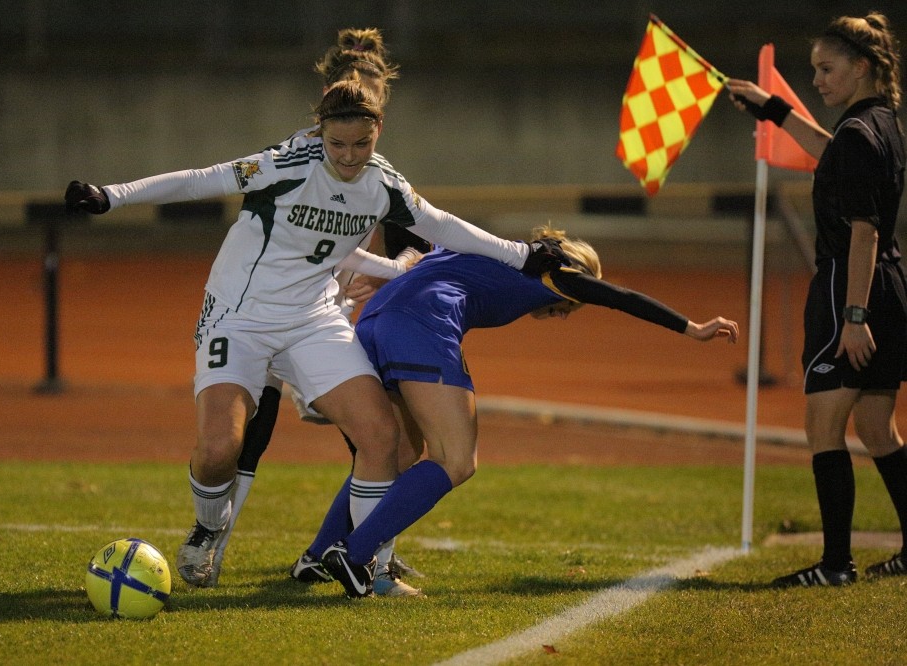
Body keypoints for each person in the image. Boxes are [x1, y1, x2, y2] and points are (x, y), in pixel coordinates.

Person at [65, 78, 565, 590]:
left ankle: (367, 565)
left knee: (381, 436)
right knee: (219, 450)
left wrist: (520, 255)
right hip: (238, 316)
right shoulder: (284, 164)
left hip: (312, 320)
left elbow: (440, 225)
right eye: (337, 144)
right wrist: (111, 196)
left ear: (378, 130)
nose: (348, 157)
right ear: (320, 131)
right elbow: (200, 180)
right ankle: (209, 526)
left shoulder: (384, 184)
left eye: (361, 144)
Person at [297, 226, 739, 597]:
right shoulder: (554, 271)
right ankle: (355, 556)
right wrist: (692, 328)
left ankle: (318, 555)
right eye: (569, 307)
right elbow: (620, 296)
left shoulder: (491, 250)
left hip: (374, 320)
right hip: (422, 325)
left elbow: (414, 231)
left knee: (397, 454)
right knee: (456, 460)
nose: (563, 313)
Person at [210, 27, 430, 594]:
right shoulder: (298, 157)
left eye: (372, 97)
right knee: (252, 426)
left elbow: (412, 245)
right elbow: (290, 235)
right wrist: (354, 266)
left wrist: (393, 267)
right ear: (331, 96)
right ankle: (213, 548)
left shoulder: (378, 172)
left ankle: (361, 555)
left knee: (381, 439)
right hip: (269, 311)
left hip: (327, 323)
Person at [728, 12, 907, 587]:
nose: (817, 80)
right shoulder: (882, 123)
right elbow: (830, 151)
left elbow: (864, 231)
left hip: (849, 289)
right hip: (890, 284)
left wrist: (853, 316)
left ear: (862, 67)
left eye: (827, 69)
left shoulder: (858, 133)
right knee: (876, 427)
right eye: (814, 70)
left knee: (823, 426)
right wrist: (772, 109)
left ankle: (835, 565)